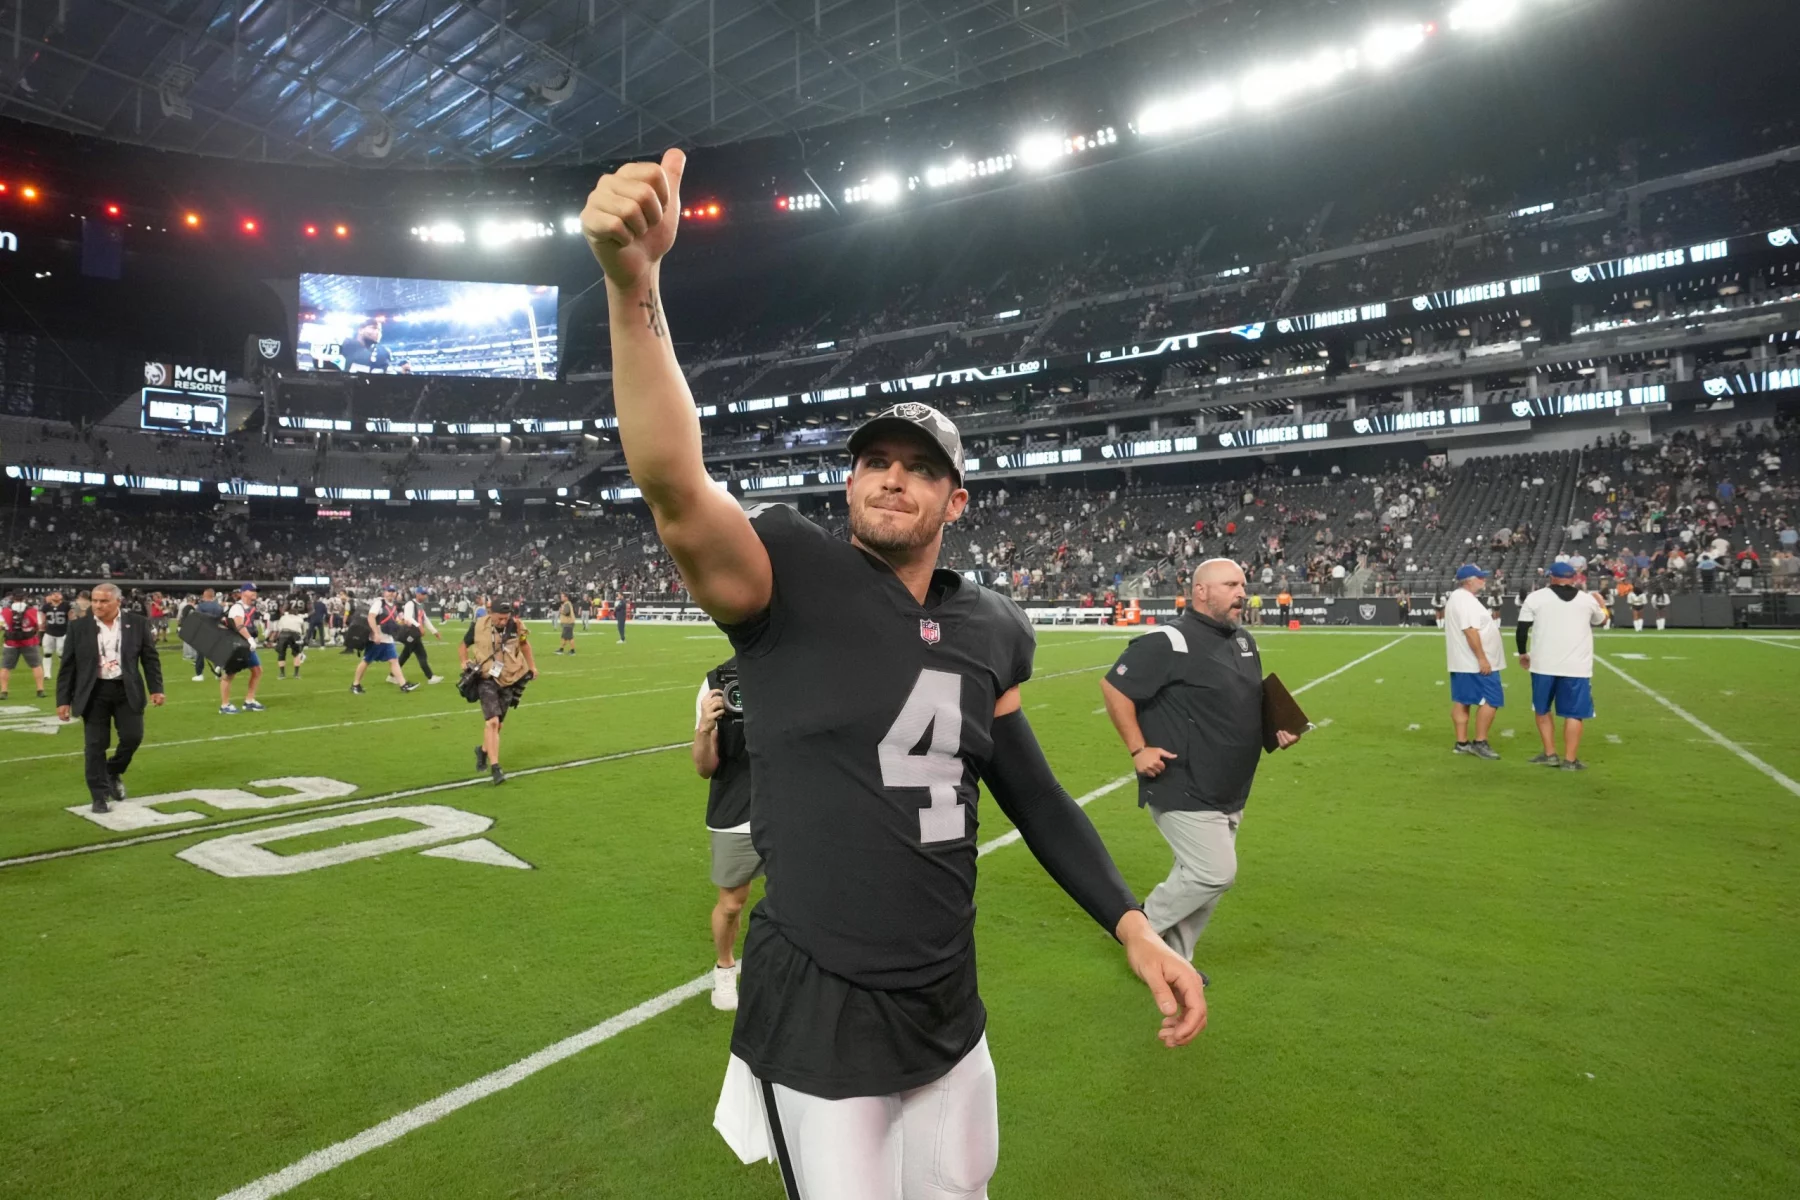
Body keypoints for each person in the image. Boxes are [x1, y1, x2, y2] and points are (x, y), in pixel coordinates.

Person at [583, 151, 1203, 1199]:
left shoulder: (991, 627)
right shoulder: (789, 575)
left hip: (947, 997)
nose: (893, 480)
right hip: (820, 994)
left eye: (921, 469)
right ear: (850, 478)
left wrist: (1134, 928)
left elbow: (1036, 794)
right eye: (876, 461)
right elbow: (672, 483)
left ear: (955, 501)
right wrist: (634, 288)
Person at [1099, 559, 1303, 970]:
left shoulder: (1243, 640)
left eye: (1243, 584)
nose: (1242, 592)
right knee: (1215, 873)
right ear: (1201, 591)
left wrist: (1277, 726)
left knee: (1203, 880)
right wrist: (1138, 750)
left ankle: (1173, 960)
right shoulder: (1168, 640)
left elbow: (1246, 700)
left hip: (1229, 785)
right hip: (1182, 781)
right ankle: (1138, 930)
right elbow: (1114, 687)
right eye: (1231, 584)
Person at [55, 583, 164, 813]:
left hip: (127, 689)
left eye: (103, 601)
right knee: (95, 745)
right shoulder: (79, 627)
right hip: (94, 692)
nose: (97, 605)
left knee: (133, 737)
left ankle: (113, 770)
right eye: (94, 600)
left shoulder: (137, 624)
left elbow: (150, 658)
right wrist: (63, 700)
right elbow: (68, 666)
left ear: (118, 602)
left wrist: (156, 688)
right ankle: (99, 795)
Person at [694, 656, 761, 1011]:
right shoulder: (717, 682)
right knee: (732, 903)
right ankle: (724, 967)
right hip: (737, 804)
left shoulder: (799, 663)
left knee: (800, 897)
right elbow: (704, 768)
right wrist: (705, 728)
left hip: (792, 801)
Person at [1517, 562, 1608, 771]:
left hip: (1543, 664)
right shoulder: (1586, 600)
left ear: (1551, 577)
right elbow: (1602, 620)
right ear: (1574, 578)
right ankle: (1570, 760)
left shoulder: (1536, 597)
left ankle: (1550, 754)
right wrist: (1602, 604)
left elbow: (1522, 629)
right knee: (1574, 713)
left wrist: (1522, 652)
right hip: (1577, 666)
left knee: (1542, 709)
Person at [458, 600, 537, 785]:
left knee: (498, 725)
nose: (503, 621)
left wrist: (532, 667)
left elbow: (525, 645)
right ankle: (496, 768)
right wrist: (463, 661)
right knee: (492, 722)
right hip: (486, 677)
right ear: (490, 613)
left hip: (510, 677)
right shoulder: (478, 626)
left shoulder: (516, 626)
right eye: (500, 618)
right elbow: (463, 645)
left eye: (506, 617)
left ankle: (483, 750)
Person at [1442, 565, 1504, 760]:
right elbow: (1470, 630)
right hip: (1474, 663)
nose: (1483, 580)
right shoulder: (1465, 600)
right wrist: (1482, 658)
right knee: (1492, 699)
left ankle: (1462, 743)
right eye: (1480, 577)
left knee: (1463, 701)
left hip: (1463, 662)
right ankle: (1480, 742)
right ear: (1469, 580)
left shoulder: (1459, 598)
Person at [352, 584, 419, 694]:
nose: (391, 593)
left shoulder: (393, 605)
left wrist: (403, 622)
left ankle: (403, 685)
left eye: (393, 591)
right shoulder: (379, 603)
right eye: (389, 591)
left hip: (387, 637)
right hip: (377, 638)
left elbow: (392, 620)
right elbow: (371, 617)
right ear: (384, 592)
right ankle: (355, 684)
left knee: (394, 661)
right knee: (367, 660)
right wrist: (376, 633)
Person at [220, 585, 267, 714]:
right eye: (251, 591)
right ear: (243, 593)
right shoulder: (237, 608)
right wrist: (250, 639)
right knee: (229, 674)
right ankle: (224, 705)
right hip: (236, 645)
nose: (254, 593)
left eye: (255, 591)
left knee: (257, 670)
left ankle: (249, 701)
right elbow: (239, 625)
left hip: (246, 645)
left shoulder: (249, 607)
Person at [1, 591, 47, 700]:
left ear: (13, 598)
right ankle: (40, 690)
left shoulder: (5, 611)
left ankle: (4, 691)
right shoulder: (33, 611)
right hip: (29, 641)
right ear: (25, 598)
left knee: (5, 667)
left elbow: (1, 626)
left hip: (10, 642)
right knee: (36, 665)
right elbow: (39, 625)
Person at [398, 587, 445, 684]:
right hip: (411, 633)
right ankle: (431, 677)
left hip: (416, 634)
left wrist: (434, 631)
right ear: (417, 594)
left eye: (425, 594)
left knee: (405, 655)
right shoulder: (410, 604)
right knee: (421, 655)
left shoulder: (421, 605)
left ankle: (393, 675)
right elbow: (407, 617)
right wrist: (419, 626)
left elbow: (425, 619)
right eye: (423, 594)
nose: (425, 596)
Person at [190, 587, 225, 682]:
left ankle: (199, 674)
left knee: (200, 654)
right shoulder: (219, 607)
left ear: (205, 595)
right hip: (216, 631)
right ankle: (217, 669)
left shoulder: (201, 606)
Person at [272, 598, 307, 679]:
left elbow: (279, 628)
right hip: (295, 634)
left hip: (283, 633)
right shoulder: (299, 618)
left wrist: (276, 639)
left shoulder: (284, 617)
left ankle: (282, 674)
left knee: (281, 654)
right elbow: (303, 630)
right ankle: (296, 674)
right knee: (296, 654)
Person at [39, 589, 71, 681]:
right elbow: (43, 621)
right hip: (49, 633)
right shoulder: (46, 607)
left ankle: (63, 673)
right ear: (51, 596)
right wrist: (41, 633)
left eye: (58, 594)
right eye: (54, 594)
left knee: (61, 653)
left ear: (61, 596)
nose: (56, 595)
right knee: (47, 653)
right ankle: (47, 674)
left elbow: (71, 619)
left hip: (63, 633)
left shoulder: (66, 606)